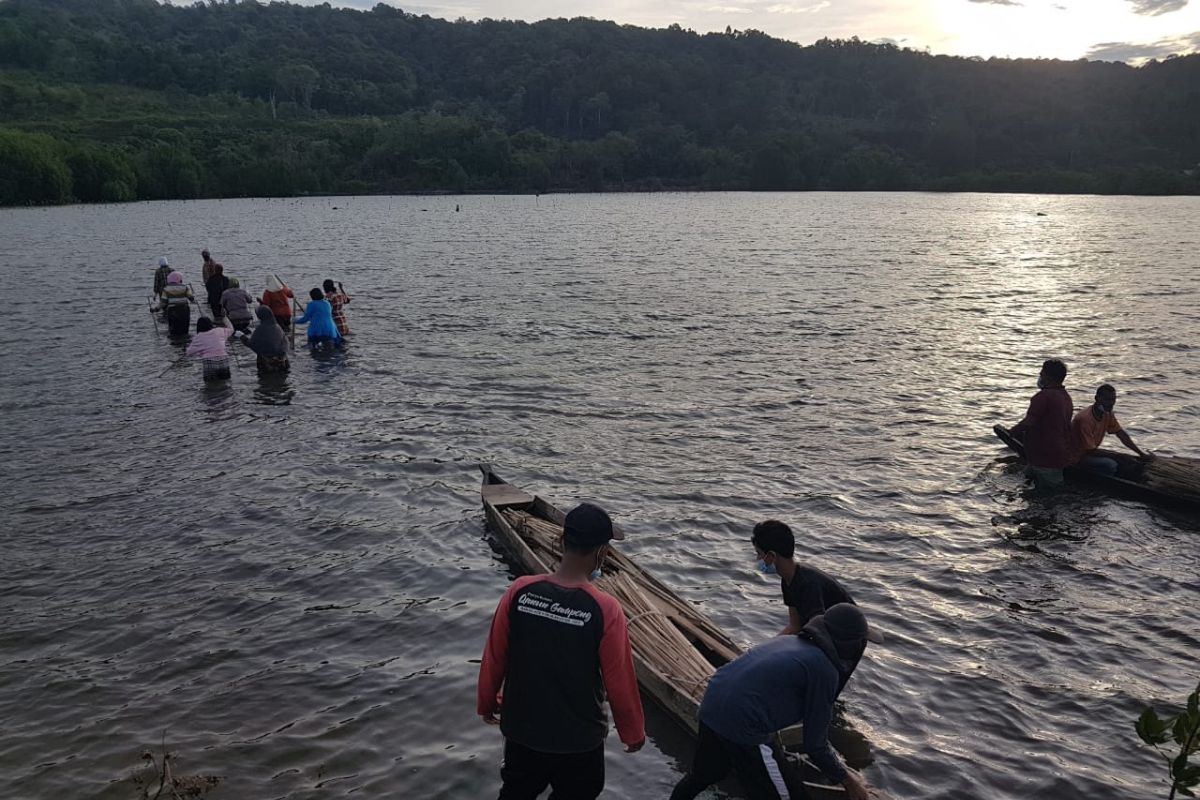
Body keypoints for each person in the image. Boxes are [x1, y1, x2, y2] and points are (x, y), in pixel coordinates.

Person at [477, 503, 645, 800]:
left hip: (522, 731)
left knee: (516, 792)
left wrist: (487, 703)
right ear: (601, 552)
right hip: (578, 741)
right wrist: (632, 732)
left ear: (561, 541)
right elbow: (619, 681)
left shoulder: (519, 591)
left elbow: (494, 658)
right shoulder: (606, 609)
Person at [669, 603, 880, 800]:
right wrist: (847, 779)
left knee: (705, 774)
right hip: (744, 723)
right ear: (849, 644)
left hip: (712, 704)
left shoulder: (790, 641)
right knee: (789, 795)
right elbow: (815, 744)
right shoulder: (824, 669)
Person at [752, 520, 855, 635]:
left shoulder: (808, 583)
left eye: (759, 553)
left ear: (771, 556)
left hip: (845, 640)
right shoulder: (788, 580)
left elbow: (818, 629)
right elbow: (795, 626)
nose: (757, 559)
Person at [1009, 359, 1073, 489]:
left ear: (1047, 376)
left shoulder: (1043, 397)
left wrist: (1012, 432)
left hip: (1045, 458)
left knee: (1050, 496)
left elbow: (1028, 422)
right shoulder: (1065, 397)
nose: (1040, 375)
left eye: (1042, 372)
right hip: (1049, 456)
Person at [1071, 384, 1153, 476]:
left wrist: (1141, 453)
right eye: (1107, 400)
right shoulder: (1084, 419)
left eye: (1113, 400)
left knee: (1127, 461)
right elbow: (1090, 450)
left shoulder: (1107, 413)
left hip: (1090, 452)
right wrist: (1117, 456)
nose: (1111, 403)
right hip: (1078, 456)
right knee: (1110, 464)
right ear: (1097, 398)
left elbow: (1120, 434)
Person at [239, 305, 290, 373]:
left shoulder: (260, 329)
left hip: (267, 364)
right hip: (282, 362)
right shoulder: (278, 327)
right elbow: (285, 343)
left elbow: (252, 344)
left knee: (265, 381)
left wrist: (242, 336)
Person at [185, 317, 235, 381]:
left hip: (210, 362)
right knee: (225, 383)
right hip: (224, 360)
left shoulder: (199, 337)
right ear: (210, 324)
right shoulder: (219, 330)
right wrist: (225, 318)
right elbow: (231, 330)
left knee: (210, 386)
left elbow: (189, 352)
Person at [158, 271, 194, 336]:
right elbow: (191, 298)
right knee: (185, 331)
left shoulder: (166, 289)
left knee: (173, 331)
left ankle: (175, 344)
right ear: (179, 279)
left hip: (173, 312)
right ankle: (185, 344)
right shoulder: (185, 287)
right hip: (184, 311)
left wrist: (155, 309)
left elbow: (163, 303)